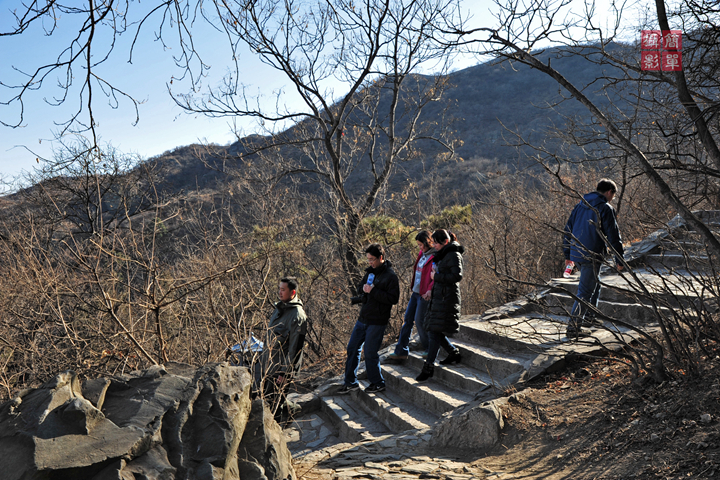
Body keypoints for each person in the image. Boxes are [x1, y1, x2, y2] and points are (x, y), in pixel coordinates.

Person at [563, 179, 624, 337]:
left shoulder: (580, 205)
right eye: (613, 196)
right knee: (585, 291)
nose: (612, 199)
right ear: (609, 192)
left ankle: (590, 318)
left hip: (577, 252)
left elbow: (567, 229)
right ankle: (573, 327)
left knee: (595, 285)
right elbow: (613, 236)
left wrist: (567, 254)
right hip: (592, 254)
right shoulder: (605, 207)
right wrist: (620, 260)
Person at [339, 244, 400, 394]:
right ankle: (350, 382)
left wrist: (373, 291)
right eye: (368, 260)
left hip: (378, 320)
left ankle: (378, 382)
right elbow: (360, 288)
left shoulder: (390, 276)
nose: (370, 263)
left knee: (370, 352)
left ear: (380, 258)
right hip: (363, 317)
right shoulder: (369, 273)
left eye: (372, 259)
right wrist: (365, 289)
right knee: (352, 348)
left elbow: (393, 298)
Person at [416, 230, 464, 382]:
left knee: (434, 331)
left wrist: (436, 276)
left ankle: (428, 367)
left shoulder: (453, 254)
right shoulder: (442, 255)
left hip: (447, 299)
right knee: (433, 329)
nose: (434, 245)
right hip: (439, 297)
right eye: (433, 242)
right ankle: (452, 353)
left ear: (445, 242)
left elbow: (457, 276)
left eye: (436, 242)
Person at [257, 277, 308, 408]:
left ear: (293, 292)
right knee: (266, 401)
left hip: (280, 370)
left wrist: (284, 373)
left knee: (275, 405)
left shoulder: (298, 316)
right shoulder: (280, 308)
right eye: (279, 289)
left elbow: (295, 348)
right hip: (268, 365)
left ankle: (291, 414)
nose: (280, 292)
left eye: (283, 290)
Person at [386, 231, 434, 362]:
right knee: (407, 319)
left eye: (421, 245)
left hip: (424, 294)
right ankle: (401, 350)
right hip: (415, 292)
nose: (420, 247)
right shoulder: (421, 254)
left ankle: (429, 348)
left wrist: (429, 290)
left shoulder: (435, 256)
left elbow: (435, 277)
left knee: (420, 321)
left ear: (428, 242)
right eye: (418, 245)